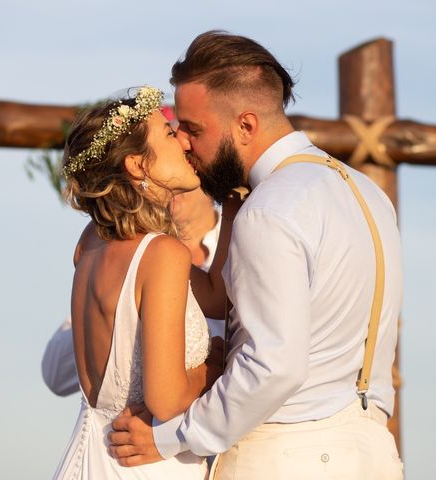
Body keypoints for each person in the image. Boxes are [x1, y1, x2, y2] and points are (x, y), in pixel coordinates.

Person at [109, 31, 404, 479]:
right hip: (375, 455)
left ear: (245, 125)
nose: (184, 142)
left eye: (192, 128)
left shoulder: (269, 209)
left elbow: (274, 365)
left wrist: (172, 437)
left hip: (287, 458)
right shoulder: (368, 193)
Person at [52, 85, 233, 479]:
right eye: (169, 134)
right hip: (143, 465)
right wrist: (213, 364)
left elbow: (218, 297)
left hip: (87, 459)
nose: (183, 141)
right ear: (137, 166)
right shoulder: (162, 254)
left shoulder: (90, 244)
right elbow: (166, 401)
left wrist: (232, 200)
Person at [41, 187, 223, 398]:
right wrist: (111, 311)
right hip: (117, 427)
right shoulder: (111, 250)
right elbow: (55, 376)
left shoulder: (240, 250)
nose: (170, 183)